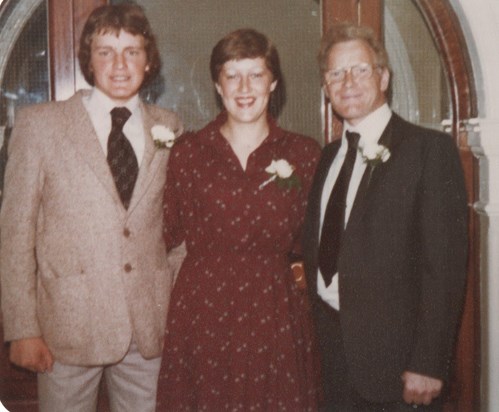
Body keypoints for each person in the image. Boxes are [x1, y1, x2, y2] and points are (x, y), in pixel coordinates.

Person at [0, 4, 185, 412]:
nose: (120, 64)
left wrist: (173, 300)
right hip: (66, 326)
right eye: (105, 52)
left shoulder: (170, 127)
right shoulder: (41, 125)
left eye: (132, 51)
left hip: (147, 328)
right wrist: (21, 328)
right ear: (88, 60)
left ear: (149, 59)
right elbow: (15, 233)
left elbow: (179, 227)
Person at [302, 23, 468, 411]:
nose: (347, 82)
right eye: (335, 73)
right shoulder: (327, 158)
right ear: (326, 88)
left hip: (399, 369)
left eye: (360, 69)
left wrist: (429, 363)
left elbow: (444, 269)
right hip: (332, 361)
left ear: (384, 77)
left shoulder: (428, 151)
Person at [155, 28, 321, 411]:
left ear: (274, 82)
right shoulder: (188, 153)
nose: (244, 87)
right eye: (232, 75)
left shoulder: (304, 153)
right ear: (217, 84)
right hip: (203, 311)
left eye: (257, 74)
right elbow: (162, 231)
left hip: (274, 308)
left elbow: (315, 242)